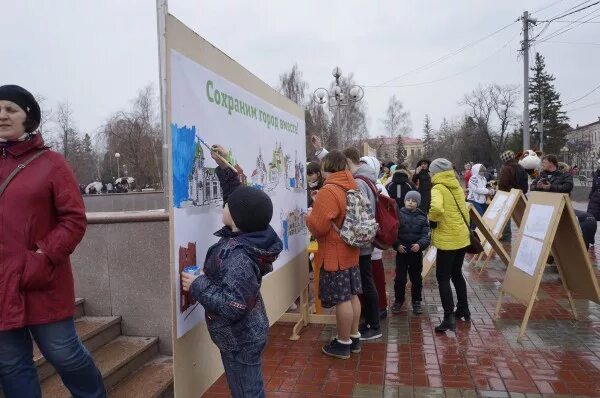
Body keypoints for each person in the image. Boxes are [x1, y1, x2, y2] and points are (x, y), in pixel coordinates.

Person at [0, 85, 106, 397]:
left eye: (11, 109)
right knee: (11, 365)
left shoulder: (51, 163)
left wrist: (42, 256)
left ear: (28, 117)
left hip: (40, 281)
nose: (2, 114)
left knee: (65, 355)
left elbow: (73, 219)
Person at [181, 145, 282, 397]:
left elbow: (233, 305)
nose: (223, 205)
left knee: (248, 392)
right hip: (243, 335)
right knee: (242, 389)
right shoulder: (252, 233)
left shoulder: (238, 256)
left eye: (227, 206)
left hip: (240, 340)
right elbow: (240, 199)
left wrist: (197, 284)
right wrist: (225, 168)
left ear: (236, 218)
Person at [306, 150, 362, 359]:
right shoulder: (351, 184)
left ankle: (343, 342)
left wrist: (309, 216)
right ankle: (354, 337)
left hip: (335, 252)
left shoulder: (329, 189)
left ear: (325, 168)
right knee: (353, 295)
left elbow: (319, 227)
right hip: (351, 249)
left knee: (342, 299)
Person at [342, 147, 382, 340]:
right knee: (367, 280)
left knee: (366, 282)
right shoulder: (368, 178)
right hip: (368, 237)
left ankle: (374, 325)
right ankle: (372, 321)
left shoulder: (358, 182)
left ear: (350, 161)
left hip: (362, 241)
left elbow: (357, 214)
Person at [429, 158, 471, 333]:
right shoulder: (456, 185)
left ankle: (448, 317)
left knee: (443, 277)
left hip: (447, 240)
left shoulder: (438, 187)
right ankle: (463, 308)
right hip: (462, 238)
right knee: (457, 274)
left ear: (436, 172)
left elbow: (437, 209)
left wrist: (432, 220)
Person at [360, 156, 389, 319]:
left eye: (365, 164)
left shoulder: (379, 187)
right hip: (369, 236)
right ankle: (370, 307)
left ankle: (379, 308)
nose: (361, 167)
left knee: (375, 275)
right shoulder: (371, 184)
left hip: (373, 237)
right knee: (367, 276)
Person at [391, 191, 430, 315]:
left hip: (415, 254)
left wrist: (420, 245)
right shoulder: (398, 215)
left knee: (416, 279)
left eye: (413, 201)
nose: (410, 202)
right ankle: (398, 300)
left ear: (417, 203)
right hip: (402, 252)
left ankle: (416, 301)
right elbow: (392, 233)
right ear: (405, 201)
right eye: (408, 200)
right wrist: (397, 245)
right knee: (400, 279)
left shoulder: (422, 217)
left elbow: (426, 236)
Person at [498, 150, 529, 241]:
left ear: (504, 159)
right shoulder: (521, 167)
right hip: (521, 194)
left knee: (505, 215)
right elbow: (525, 183)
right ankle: (528, 235)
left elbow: (503, 183)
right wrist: (522, 191)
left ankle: (507, 236)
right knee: (524, 216)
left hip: (509, 195)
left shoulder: (506, 168)